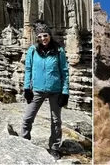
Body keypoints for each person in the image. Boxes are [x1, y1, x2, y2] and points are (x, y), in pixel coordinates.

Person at [20, 20, 70, 158]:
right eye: (40, 36)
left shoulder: (59, 50)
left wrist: (65, 92)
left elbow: (64, 71)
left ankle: (54, 147)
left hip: (55, 90)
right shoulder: (32, 50)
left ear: (49, 35)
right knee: (27, 118)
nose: (43, 39)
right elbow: (28, 69)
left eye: (45, 35)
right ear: (37, 37)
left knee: (56, 121)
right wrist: (27, 89)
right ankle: (23, 142)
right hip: (37, 90)